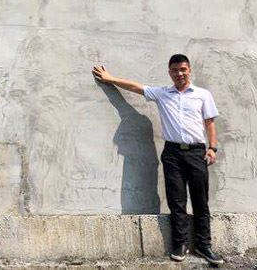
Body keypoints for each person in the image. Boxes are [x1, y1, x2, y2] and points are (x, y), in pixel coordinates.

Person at [92, 54, 224, 265]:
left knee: (200, 200)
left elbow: (210, 123)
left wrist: (213, 148)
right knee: (176, 200)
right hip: (172, 153)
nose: (179, 73)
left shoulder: (202, 95)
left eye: (183, 69)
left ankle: (204, 245)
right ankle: (180, 244)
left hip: (196, 153)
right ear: (169, 72)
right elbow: (136, 87)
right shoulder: (163, 93)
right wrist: (110, 79)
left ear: (189, 70)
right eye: (175, 70)